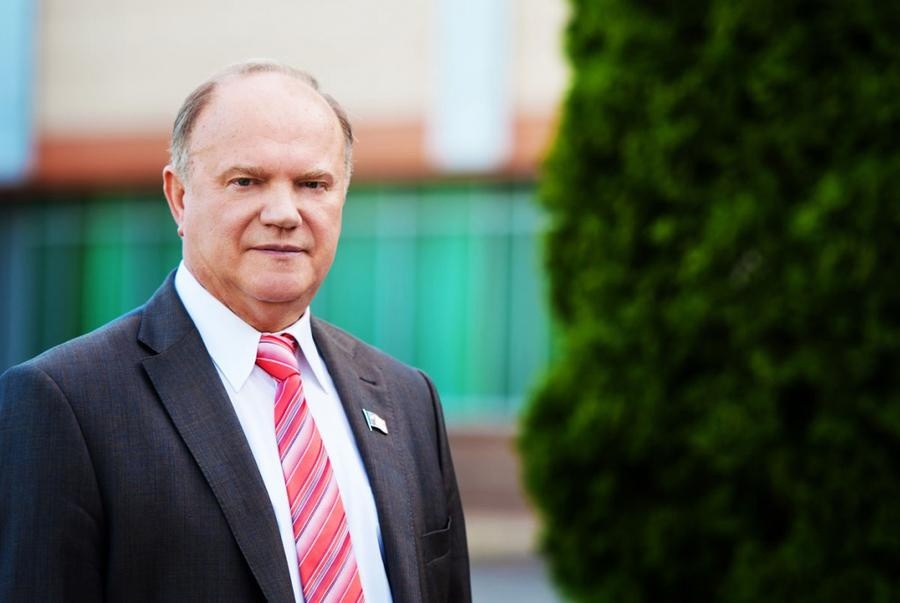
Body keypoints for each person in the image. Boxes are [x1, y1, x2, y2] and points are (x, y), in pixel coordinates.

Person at [0, 60, 471, 602]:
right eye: (246, 181)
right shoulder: (65, 402)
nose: (284, 213)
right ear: (180, 197)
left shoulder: (408, 398)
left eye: (312, 184)